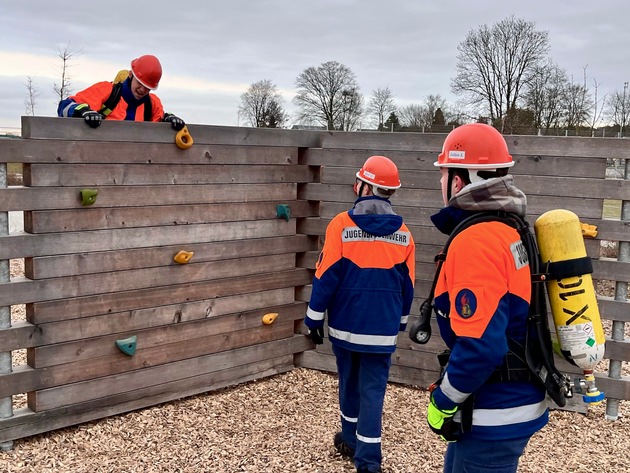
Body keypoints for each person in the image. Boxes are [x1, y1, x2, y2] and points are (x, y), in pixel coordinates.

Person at [426, 123, 548, 472]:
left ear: (460, 181)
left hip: (494, 411)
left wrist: (444, 399)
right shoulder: (509, 227)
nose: (441, 182)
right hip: (510, 400)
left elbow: (481, 346)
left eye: (445, 173)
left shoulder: (476, 240)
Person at [303, 155, 415, 473]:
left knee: (349, 383)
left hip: (344, 326)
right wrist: (402, 322)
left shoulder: (341, 224)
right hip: (382, 331)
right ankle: (367, 460)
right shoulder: (405, 233)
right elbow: (408, 285)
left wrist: (313, 319)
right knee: (372, 392)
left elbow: (325, 277)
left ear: (364, 186)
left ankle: (352, 441)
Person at [57, 54, 185, 130]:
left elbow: (161, 120)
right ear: (130, 75)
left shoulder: (152, 104)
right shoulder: (106, 91)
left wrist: (170, 120)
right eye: (140, 83)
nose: (142, 90)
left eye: (147, 87)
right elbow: (64, 106)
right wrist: (82, 111)